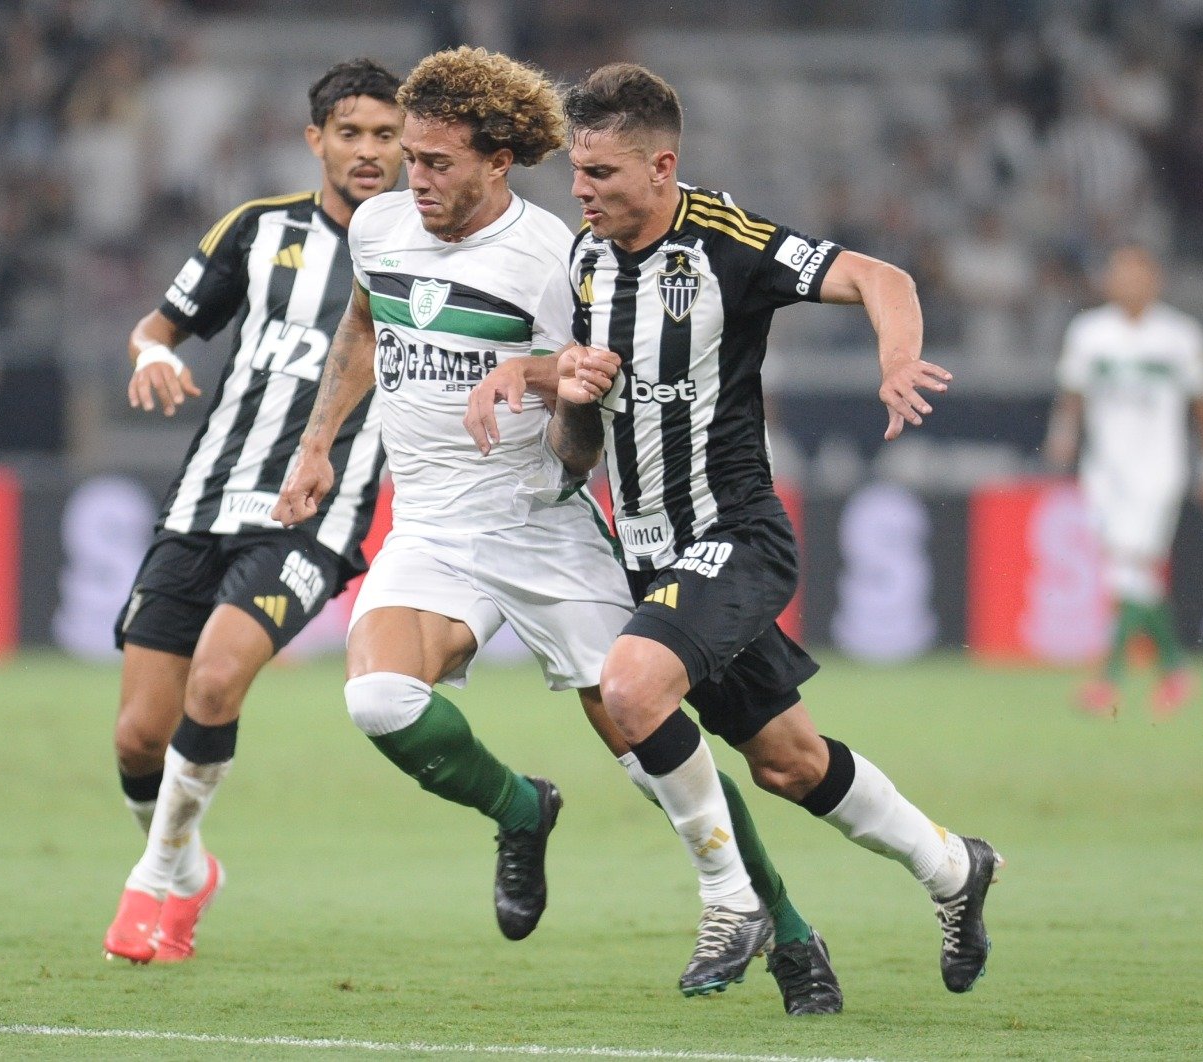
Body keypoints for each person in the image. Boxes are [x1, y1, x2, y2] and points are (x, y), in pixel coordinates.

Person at [274, 48, 841, 1015]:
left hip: (543, 524)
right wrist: (318, 442)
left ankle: (785, 928)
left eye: (438, 162)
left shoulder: (555, 258)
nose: (414, 179)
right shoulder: (378, 227)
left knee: (651, 745)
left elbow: (599, 392)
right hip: (431, 527)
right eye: (410, 158)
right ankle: (521, 808)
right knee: (377, 701)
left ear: (499, 161)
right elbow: (365, 325)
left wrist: (557, 414)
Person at [532, 62, 1002, 996]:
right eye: (577, 171)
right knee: (790, 765)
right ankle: (955, 866)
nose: (581, 190)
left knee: (627, 690)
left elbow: (880, 276)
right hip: (652, 558)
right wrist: (574, 396)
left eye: (602, 173)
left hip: (736, 534)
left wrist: (896, 360)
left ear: (662, 166)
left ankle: (731, 900)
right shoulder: (584, 264)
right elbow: (575, 455)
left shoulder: (726, 242)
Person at [102, 59, 405, 965]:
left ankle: (151, 880)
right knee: (138, 737)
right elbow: (158, 325)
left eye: (386, 135)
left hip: (313, 519)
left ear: (408, 145)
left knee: (216, 679)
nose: (368, 151)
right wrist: (151, 354)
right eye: (350, 133)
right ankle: (190, 866)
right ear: (316, 140)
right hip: (202, 503)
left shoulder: (426, 252)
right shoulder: (257, 229)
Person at [1044, 245, 1203, 716]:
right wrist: (1063, 436)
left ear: (1155, 281)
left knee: (1130, 571)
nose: (1127, 283)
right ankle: (1174, 669)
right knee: (1130, 575)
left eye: (1136, 275)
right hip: (1105, 470)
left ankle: (1109, 679)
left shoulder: (1180, 335)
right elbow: (1073, 392)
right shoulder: (1089, 331)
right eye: (1119, 274)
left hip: (1158, 469)